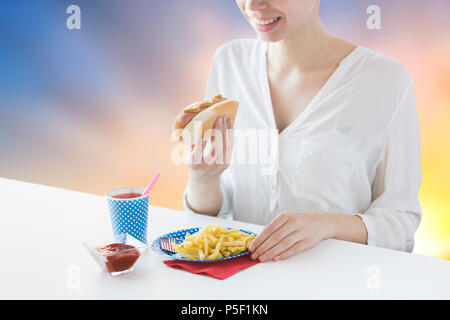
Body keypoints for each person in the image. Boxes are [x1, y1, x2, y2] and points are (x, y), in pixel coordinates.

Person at [183, 0, 422, 262]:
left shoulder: (385, 81)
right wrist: (203, 178)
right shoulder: (229, 62)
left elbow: (401, 222)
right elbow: (214, 217)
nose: (252, 5)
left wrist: (326, 225)